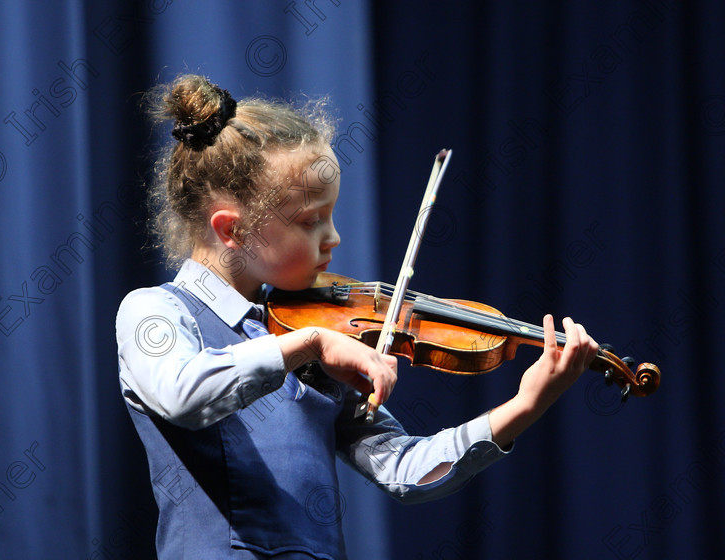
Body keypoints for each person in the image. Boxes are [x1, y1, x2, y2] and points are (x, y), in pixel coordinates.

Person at [115, 74, 599, 559]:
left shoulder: (304, 326)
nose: (333, 238)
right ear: (233, 229)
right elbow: (182, 394)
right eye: (310, 221)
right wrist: (309, 345)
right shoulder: (156, 310)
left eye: (332, 215)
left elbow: (403, 469)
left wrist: (523, 406)